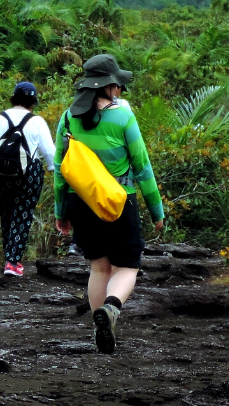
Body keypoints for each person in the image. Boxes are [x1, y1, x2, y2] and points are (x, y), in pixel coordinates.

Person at [54, 54, 165, 354]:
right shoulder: (123, 117)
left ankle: (99, 328)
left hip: (81, 204)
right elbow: (142, 168)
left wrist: (60, 211)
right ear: (109, 87)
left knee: (99, 268)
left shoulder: (68, 118)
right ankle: (112, 309)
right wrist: (157, 211)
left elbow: (60, 170)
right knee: (127, 266)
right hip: (120, 203)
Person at [0, 81, 56, 277]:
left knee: (6, 212)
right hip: (27, 177)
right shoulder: (36, 121)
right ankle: (12, 262)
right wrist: (55, 171)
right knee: (22, 213)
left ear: (14, 98)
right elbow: (50, 154)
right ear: (33, 102)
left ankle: (9, 257)